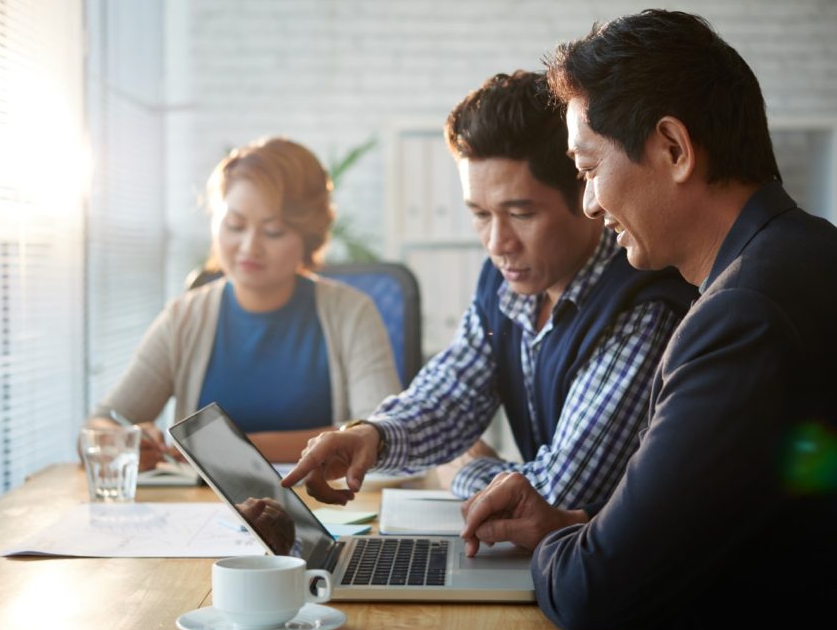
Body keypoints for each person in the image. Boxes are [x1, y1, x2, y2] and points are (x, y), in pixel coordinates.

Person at [458, 10, 837, 630]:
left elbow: (595, 593)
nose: (591, 202)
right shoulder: (798, 253)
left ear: (674, 150)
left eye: (590, 168)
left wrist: (560, 551)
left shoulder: (747, 313)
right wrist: (566, 532)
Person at [283, 71, 696, 512]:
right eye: (480, 214)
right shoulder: (506, 284)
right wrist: (371, 435)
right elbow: (452, 395)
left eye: (520, 214)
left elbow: (560, 492)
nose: (497, 243)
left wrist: (466, 469)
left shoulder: (642, 307)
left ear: (585, 189)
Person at [88, 137, 401, 468]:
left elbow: (380, 432)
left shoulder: (352, 314)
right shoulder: (184, 317)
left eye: (274, 231)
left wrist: (230, 448)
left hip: (326, 507)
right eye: (234, 225)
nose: (249, 247)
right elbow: (100, 424)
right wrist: (126, 442)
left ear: (308, 237)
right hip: (200, 510)